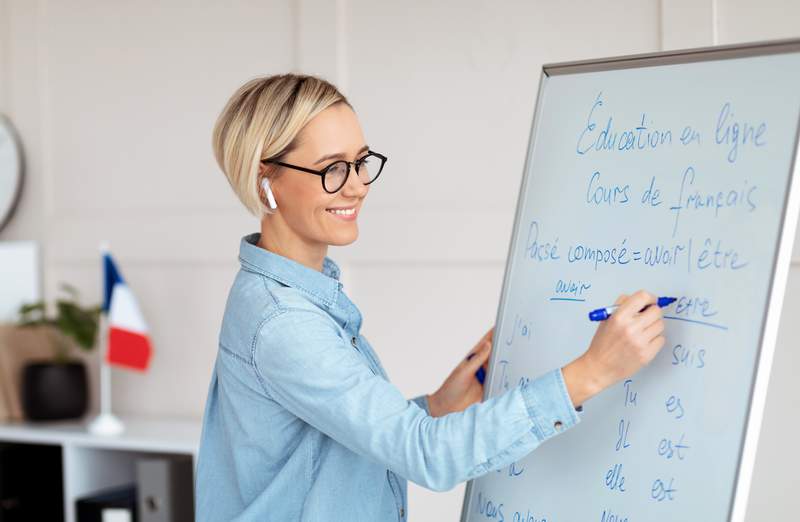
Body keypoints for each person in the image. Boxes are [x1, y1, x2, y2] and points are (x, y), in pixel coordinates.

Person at [195, 73, 667, 521]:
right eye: (332, 169)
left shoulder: (288, 297)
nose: (357, 185)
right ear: (265, 180)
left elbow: (326, 453)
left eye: (360, 162)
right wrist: (593, 372)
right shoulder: (283, 322)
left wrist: (435, 408)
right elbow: (426, 454)